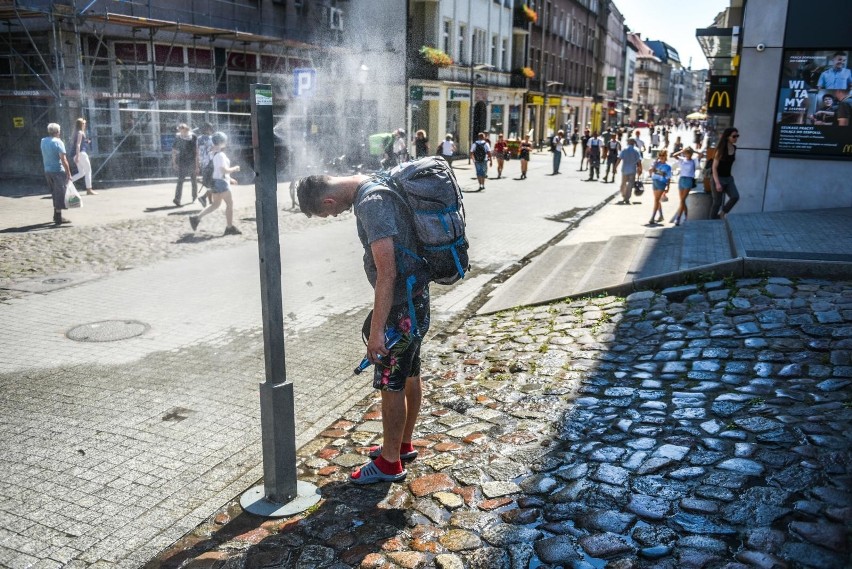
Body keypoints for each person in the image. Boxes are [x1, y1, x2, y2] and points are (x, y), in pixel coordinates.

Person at [293, 172, 432, 485]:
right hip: (415, 300)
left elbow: (387, 272)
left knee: (390, 383)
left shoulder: (370, 203)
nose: (333, 215)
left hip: (400, 310)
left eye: (327, 212)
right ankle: (401, 445)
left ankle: (390, 463)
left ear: (328, 200)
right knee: (410, 373)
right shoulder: (375, 181)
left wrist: (377, 331)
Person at [188, 132, 242, 235]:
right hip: (221, 183)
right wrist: (235, 168)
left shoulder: (213, 154)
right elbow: (223, 170)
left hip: (215, 182)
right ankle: (229, 227)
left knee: (216, 204)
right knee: (230, 204)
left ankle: (196, 219)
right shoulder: (220, 155)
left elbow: (217, 170)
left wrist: (230, 179)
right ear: (222, 142)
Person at [40, 122, 73, 226]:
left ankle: (56, 214)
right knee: (59, 193)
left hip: (47, 170)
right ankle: (58, 217)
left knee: (54, 193)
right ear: (57, 131)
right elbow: (63, 159)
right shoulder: (58, 142)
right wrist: (69, 173)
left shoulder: (43, 141)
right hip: (58, 170)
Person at [711, 127, 740, 220]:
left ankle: (722, 214)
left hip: (728, 178)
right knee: (717, 203)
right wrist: (717, 183)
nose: (736, 138)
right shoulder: (721, 150)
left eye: (737, 136)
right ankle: (710, 222)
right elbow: (714, 167)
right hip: (718, 178)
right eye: (734, 136)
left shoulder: (734, 148)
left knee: (735, 196)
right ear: (727, 137)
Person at [671, 147, 703, 226]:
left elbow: (701, 155)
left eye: (689, 153)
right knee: (682, 200)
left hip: (689, 180)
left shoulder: (694, 161)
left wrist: (694, 150)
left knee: (682, 200)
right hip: (681, 179)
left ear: (691, 154)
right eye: (686, 153)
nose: (687, 154)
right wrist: (682, 150)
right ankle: (685, 215)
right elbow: (674, 155)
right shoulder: (682, 159)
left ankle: (678, 218)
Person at [172, 123, 198, 207]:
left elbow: (196, 151)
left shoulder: (193, 137)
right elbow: (174, 151)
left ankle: (194, 197)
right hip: (182, 161)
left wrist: (197, 164)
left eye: (182, 130)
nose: (180, 131)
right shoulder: (178, 137)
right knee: (180, 181)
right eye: (179, 130)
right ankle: (177, 199)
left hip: (192, 161)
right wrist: (174, 162)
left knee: (193, 180)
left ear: (186, 129)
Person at [69, 118, 96, 196]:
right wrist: (78, 156)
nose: (85, 125)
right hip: (81, 154)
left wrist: (86, 141)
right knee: (88, 171)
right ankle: (89, 189)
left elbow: (78, 143)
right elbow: (78, 145)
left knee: (82, 173)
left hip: (76, 155)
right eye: (84, 123)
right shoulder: (80, 132)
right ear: (81, 125)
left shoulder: (75, 133)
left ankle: (67, 183)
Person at [615, 138, 642, 204]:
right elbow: (639, 161)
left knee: (623, 183)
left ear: (628, 142)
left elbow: (619, 159)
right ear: (634, 143)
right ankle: (627, 198)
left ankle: (624, 195)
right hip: (632, 170)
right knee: (630, 184)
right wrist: (640, 169)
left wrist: (615, 167)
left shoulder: (624, 149)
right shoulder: (637, 150)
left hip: (624, 169)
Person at [648, 149, 672, 225]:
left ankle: (652, 217)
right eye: (660, 155)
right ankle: (661, 216)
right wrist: (655, 162)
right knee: (657, 200)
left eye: (663, 155)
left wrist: (668, 187)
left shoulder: (668, 166)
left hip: (662, 183)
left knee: (656, 200)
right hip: (655, 181)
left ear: (666, 156)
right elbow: (650, 170)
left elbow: (667, 176)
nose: (661, 157)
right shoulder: (656, 163)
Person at [196, 123, 215, 207]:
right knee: (214, 184)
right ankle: (203, 198)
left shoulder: (198, 139)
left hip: (203, 163)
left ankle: (210, 202)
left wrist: (197, 164)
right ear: (208, 129)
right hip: (211, 163)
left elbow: (196, 152)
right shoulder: (211, 139)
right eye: (210, 128)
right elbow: (213, 150)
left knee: (209, 184)